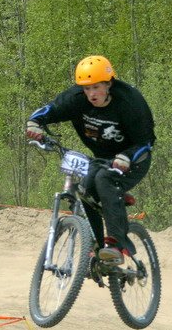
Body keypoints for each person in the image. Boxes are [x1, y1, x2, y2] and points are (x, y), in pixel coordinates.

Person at [26, 54, 155, 265]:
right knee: (84, 187)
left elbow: (146, 141)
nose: (91, 94)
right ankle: (96, 248)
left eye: (96, 87)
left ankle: (115, 245)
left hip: (134, 160)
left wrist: (127, 156)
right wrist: (34, 123)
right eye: (87, 88)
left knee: (104, 179)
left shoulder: (130, 101)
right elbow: (51, 109)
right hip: (102, 158)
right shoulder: (77, 98)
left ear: (108, 84)